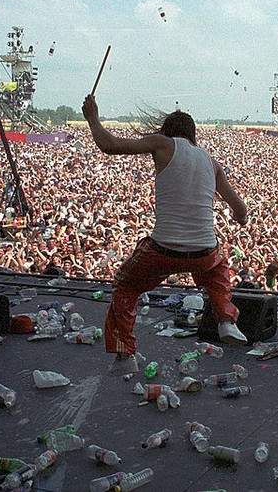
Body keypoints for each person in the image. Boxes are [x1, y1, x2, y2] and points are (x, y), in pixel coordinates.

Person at [82, 95, 249, 374]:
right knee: (217, 270)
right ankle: (226, 320)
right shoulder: (211, 162)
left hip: (163, 250)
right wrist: (239, 217)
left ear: (168, 132)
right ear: (193, 135)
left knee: (126, 285)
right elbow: (240, 209)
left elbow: (109, 145)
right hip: (203, 252)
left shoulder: (162, 144)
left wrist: (92, 118)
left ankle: (125, 356)